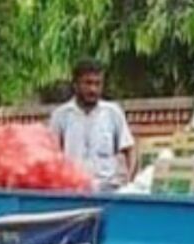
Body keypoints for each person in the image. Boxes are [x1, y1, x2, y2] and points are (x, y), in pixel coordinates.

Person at [49, 59, 137, 191]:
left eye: (98, 84)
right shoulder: (61, 115)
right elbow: (51, 154)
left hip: (108, 189)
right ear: (76, 84)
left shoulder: (112, 112)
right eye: (88, 83)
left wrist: (130, 182)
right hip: (72, 191)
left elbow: (130, 149)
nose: (93, 89)